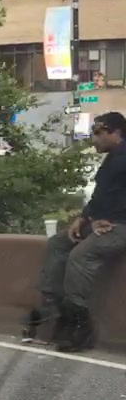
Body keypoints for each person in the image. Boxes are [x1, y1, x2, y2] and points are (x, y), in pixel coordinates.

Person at [23, 111, 126, 352]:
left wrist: (106, 219)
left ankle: (80, 326)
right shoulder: (113, 158)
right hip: (101, 222)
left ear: (116, 132)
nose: (94, 139)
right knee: (57, 244)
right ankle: (52, 315)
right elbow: (101, 196)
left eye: (99, 133)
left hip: (120, 226)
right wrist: (83, 218)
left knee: (80, 257)